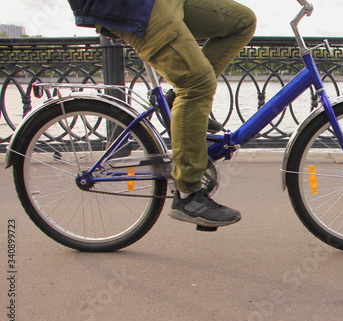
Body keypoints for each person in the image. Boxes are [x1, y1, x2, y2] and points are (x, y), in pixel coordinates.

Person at [68, 0, 257, 228]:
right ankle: (188, 193)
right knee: (196, 84)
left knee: (243, 22)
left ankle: (182, 104)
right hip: (132, 5)